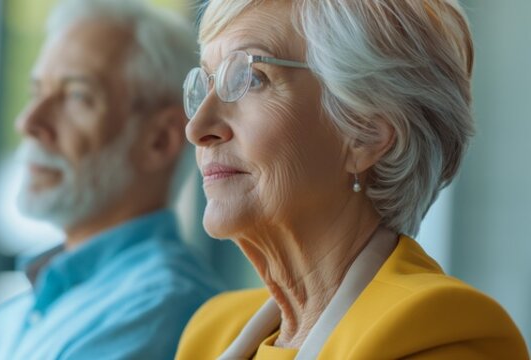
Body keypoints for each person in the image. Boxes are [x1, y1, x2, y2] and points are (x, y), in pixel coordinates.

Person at [175, 0, 528, 359]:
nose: (197, 128)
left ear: (365, 132)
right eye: (207, 84)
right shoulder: (211, 332)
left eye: (250, 79)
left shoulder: (438, 332)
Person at [0, 0, 221, 359]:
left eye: (76, 96)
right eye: (37, 92)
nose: (29, 122)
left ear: (159, 139)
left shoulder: (156, 308)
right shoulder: (19, 312)